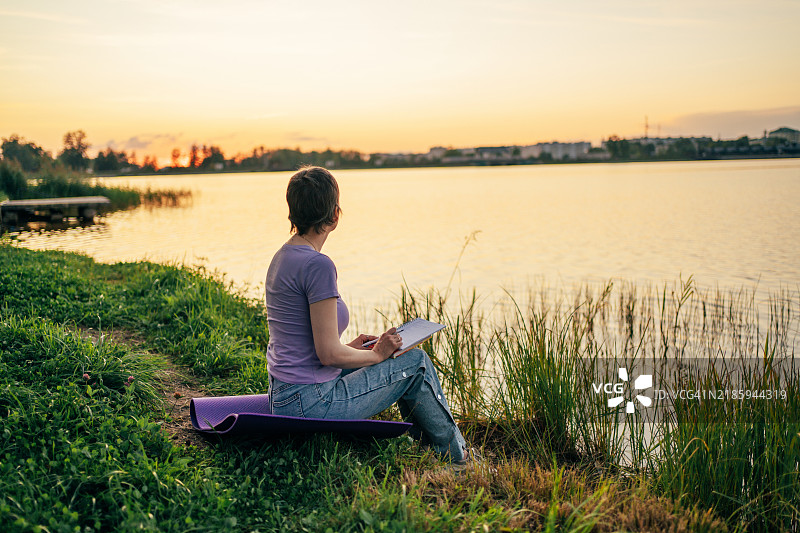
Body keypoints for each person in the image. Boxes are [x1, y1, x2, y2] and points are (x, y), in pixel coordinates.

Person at [265, 165, 469, 463]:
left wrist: (352, 349)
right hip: (310, 404)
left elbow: (302, 345)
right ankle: (458, 458)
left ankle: (432, 448)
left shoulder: (283, 256)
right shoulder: (317, 265)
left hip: (283, 396)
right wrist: (376, 355)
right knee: (416, 363)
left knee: (397, 356)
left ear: (292, 212)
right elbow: (327, 356)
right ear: (335, 215)